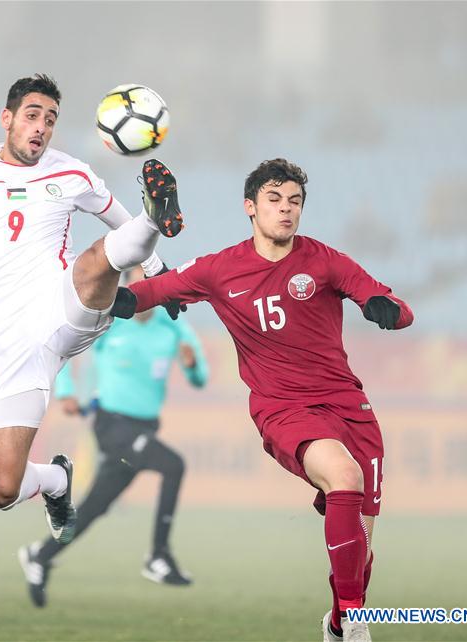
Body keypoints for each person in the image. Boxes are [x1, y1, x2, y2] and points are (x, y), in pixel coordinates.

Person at [0, 74, 186, 544]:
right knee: (2, 487)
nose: (41, 128)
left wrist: (159, 270)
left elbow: (115, 218)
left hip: (61, 303)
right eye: (32, 116)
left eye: (50, 120)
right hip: (10, 342)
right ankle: (57, 481)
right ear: (6, 119)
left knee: (96, 261)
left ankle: (157, 214)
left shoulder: (72, 173)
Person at [125, 159, 413, 642]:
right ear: (250, 208)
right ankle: (357, 622)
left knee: (361, 546)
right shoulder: (220, 269)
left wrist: (387, 309)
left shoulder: (325, 261)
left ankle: (340, 623)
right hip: (283, 409)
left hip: (349, 407)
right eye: (275, 200)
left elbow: (393, 305)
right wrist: (93, 300)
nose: (286, 210)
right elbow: (149, 292)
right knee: (346, 477)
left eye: (295, 202)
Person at [18, 265, 208, 607]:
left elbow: (199, 379)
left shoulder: (175, 327)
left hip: (144, 427)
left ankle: (39, 556)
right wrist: (66, 391)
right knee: (173, 465)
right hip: (112, 424)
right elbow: (63, 347)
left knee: (93, 509)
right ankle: (159, 555)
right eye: (133, 284)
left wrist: (192, 365)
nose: (139, 292)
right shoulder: (110, 319)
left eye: (147, 284)